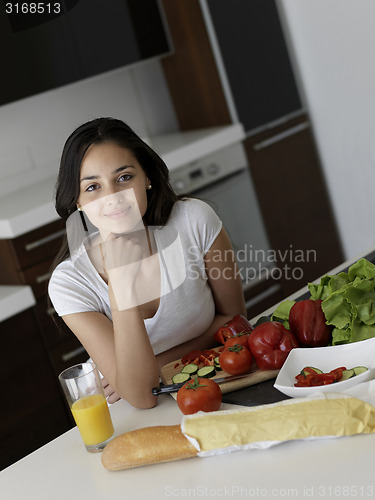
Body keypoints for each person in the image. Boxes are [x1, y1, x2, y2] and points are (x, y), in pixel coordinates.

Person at [48, 117, 246, 409]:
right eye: (92, 187)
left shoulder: (194, 221)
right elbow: (142, 397)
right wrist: (121, 283)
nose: (113, 197)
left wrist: (154, 366)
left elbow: (236, 324)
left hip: (212, 380)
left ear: (147, 178)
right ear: (77, 201)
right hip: (126, 410)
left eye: (124, 177)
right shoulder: (69, 283)